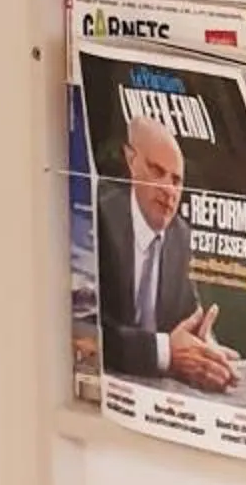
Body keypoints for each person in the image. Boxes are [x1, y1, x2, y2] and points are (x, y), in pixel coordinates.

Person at [95, 113, 238, 391]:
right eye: (157, 171)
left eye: (176, 180)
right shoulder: (100, 216)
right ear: (131, 161)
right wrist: (166, 354)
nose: (169, 190)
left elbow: (187, 317)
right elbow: (91, 332)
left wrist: (206, 347)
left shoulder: (180, 235)